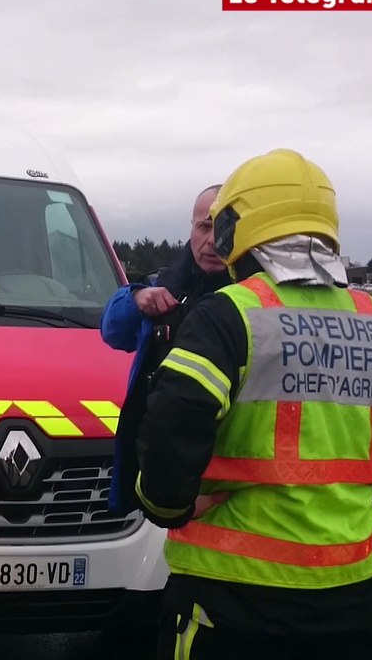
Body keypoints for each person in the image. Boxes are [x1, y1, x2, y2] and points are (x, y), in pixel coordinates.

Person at [134, 149, 372, 658]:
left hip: (232, 596)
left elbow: (175, 415)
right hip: (350, 593)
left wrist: (167, 505)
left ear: (237, 229)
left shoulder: (229, 313)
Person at [101, 184, 232, 515]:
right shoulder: (164, 286)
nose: (213, 241)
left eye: (225, 228)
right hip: (161, 471)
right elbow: (113, 331)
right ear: (191, 227)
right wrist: (135, 299)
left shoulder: (254, 300)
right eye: (204, 226)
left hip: (226, 478)